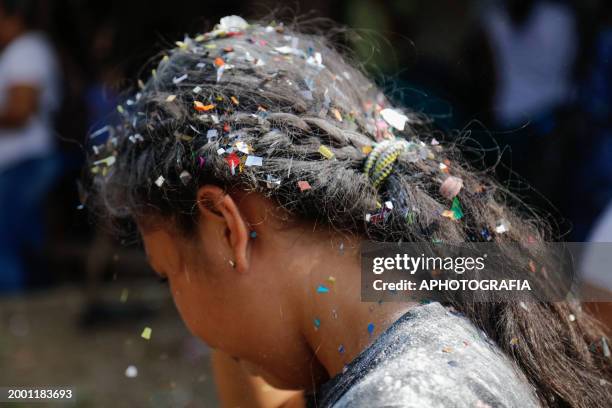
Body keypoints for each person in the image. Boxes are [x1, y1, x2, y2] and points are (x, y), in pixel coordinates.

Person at [86, 16, 611, 407]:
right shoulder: (418, 293)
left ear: (227, 228)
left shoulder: (406, 395)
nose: (179, 307)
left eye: (165, 274)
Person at [0, 0, 62, 292]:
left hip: (26, 161)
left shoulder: (26, 49)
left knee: (6, 237)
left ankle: (16, 304)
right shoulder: (17, 52)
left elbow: (21, 111)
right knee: (19, 235)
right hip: (19, 163)